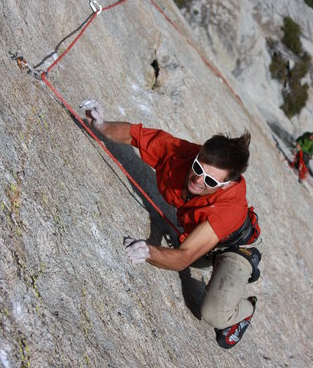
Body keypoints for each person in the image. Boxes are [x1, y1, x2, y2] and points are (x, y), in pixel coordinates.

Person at [80, 99, 262, 350]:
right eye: (198, 168)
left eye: (210, 180)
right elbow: (136, 136)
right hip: (200, 238)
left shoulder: (228, 209)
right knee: (190, 250)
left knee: (212, 313)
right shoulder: (184, 154)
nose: (198, 179)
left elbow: (183, 258)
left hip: (235, 248)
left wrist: (149, 251)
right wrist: (101, 124)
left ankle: (246, 308)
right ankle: (218, 277)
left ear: (227, 184)